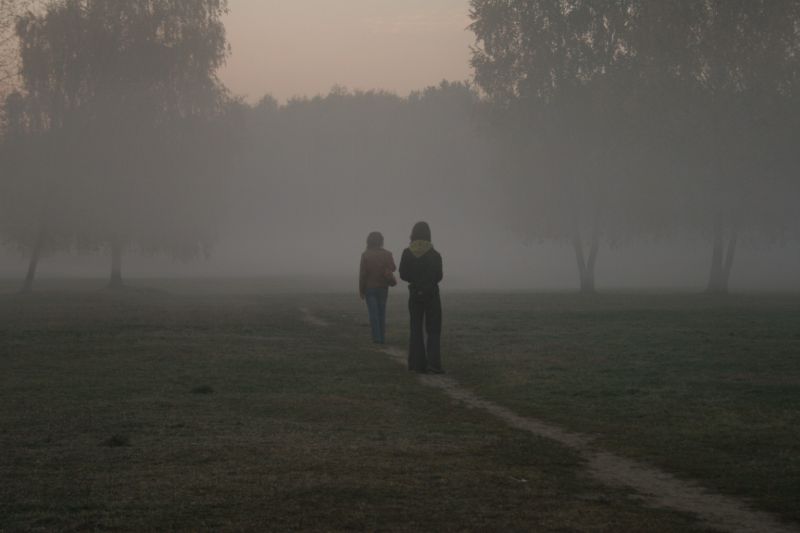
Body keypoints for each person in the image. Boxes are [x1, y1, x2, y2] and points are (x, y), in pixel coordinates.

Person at [398, 221, 443, 374]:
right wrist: (428, 282)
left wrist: (415, 280)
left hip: (415, 293)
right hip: (432, 294)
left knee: (416, 328)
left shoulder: (407, 252)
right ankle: (434, 364)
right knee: (434, 329)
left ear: (413, 234)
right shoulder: (435, 254)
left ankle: (417, 364)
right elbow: (439, 276)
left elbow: (403, 274)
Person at [359, 231, 397, 344]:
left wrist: (361, 290)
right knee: (381, 313)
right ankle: (382, 337)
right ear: (381, 241)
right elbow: (393, 268)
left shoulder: (365, 254)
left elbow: (363, 274)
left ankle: (377, 338)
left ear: (369, 241)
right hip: (383, 288)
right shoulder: (387, 253)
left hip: (369, 288)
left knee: (373, 314)